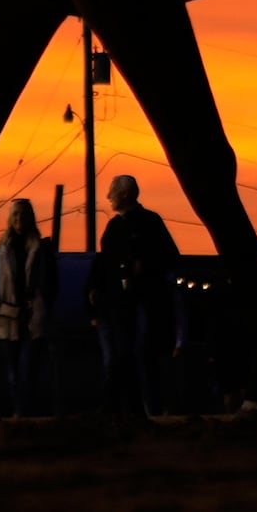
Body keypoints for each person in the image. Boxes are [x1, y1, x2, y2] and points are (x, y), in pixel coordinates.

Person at [90, 172, 181, 419]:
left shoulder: (148, 222)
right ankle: (130, 407)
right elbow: (104, 262)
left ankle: (146, 407)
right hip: (121, 303)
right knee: (125, 354)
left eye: (113, 192)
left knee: (140, 353)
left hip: (142, 300)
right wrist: (97, 287)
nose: (109, 197)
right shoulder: (116, 226)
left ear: (125, 195)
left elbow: (171, 256)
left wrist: (145, 265)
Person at [0, 196, 59, 415]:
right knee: (12, 371)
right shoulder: (2, 248)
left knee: (28, 368)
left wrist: (45, 305)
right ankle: (19, 412)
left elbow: (51, 280)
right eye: (15, 214)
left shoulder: (41, 248)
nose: (19, 219)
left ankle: (25, 411)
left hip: (33, 315)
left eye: (23, 215)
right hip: (7, 315)